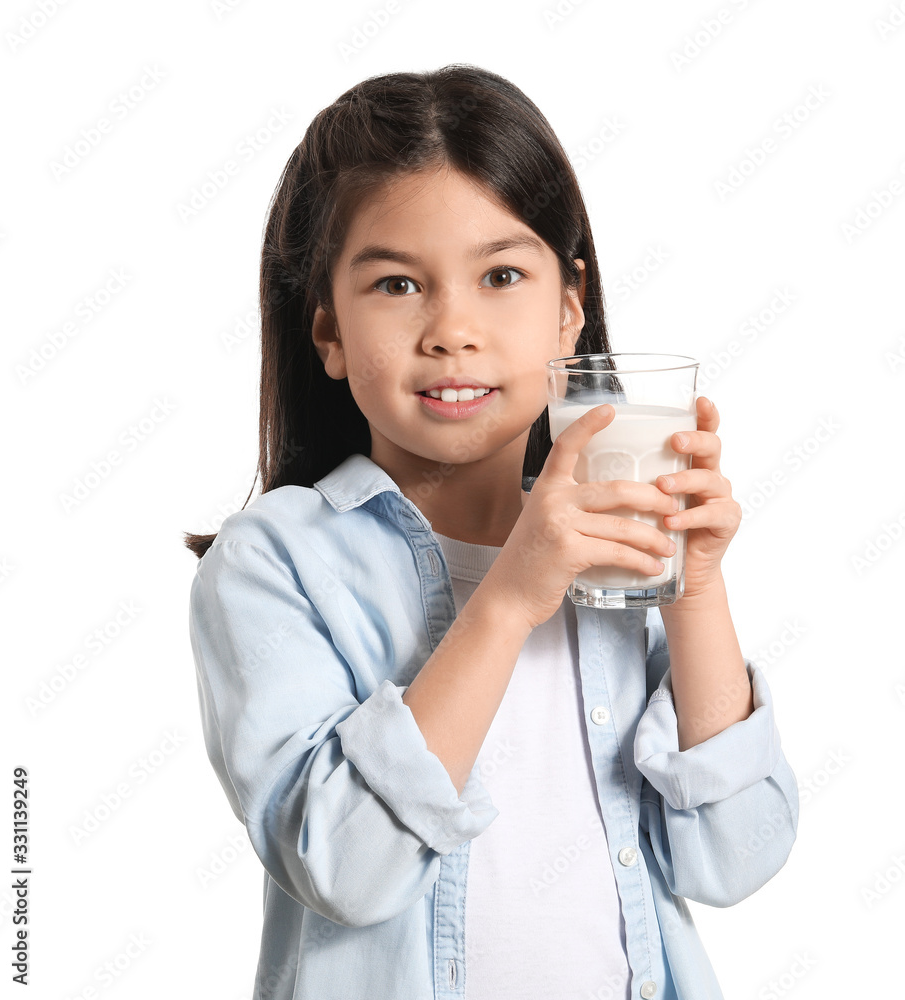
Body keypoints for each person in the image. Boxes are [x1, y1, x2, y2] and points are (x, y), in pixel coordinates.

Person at [185, 64, 798, 1000]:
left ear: (568, 307)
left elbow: (733, 858)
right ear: (329, 331)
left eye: (502, 275)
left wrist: (694, 587)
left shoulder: (607, 551)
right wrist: (511, 593)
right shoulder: (274, 563)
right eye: (396, 284)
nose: (452, 330)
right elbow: (346, 869)